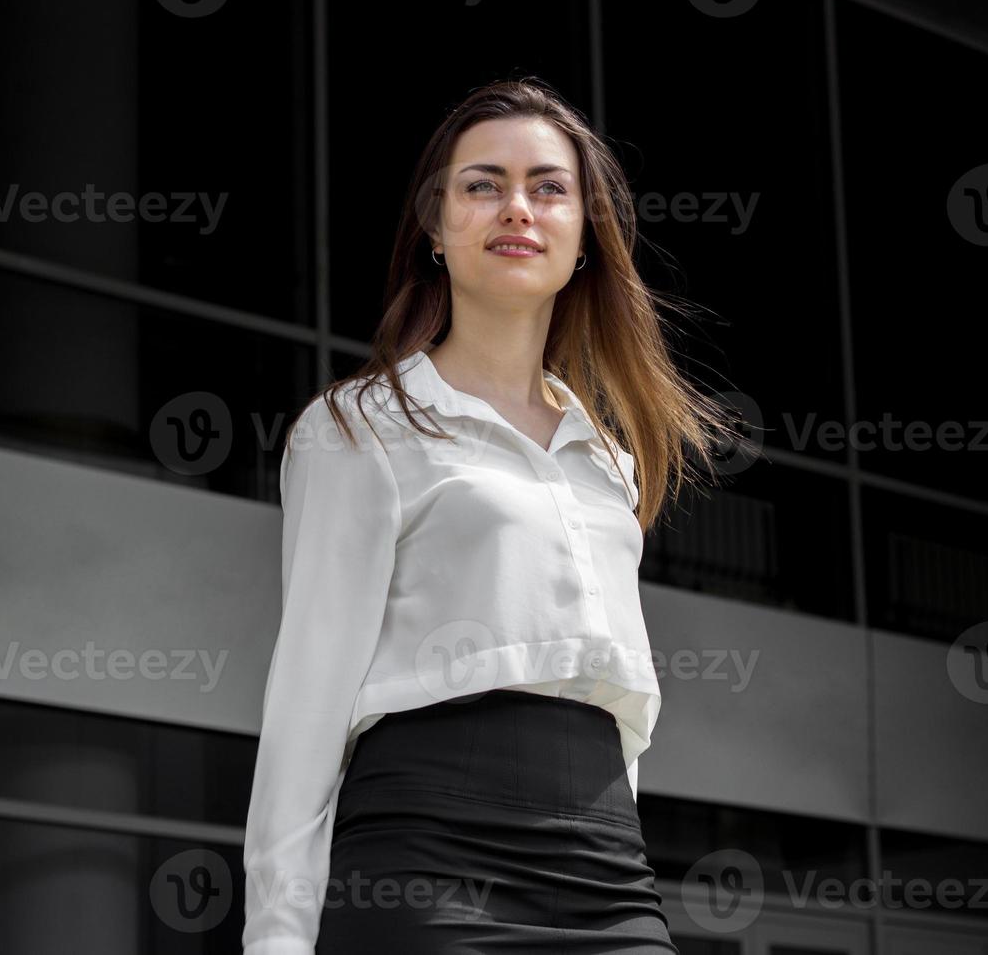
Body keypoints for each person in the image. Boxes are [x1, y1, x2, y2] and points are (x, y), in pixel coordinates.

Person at [242, 76, 738, 955]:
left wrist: (615, 834)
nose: (518, 206)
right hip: (426, 851)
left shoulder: (608, 461)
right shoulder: (359, 427)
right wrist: (277, 941)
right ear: (436, 226)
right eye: (483, 184)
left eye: (549, 187)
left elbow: (614, 700)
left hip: (604, 861)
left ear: (584, 236)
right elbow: (307, 699)